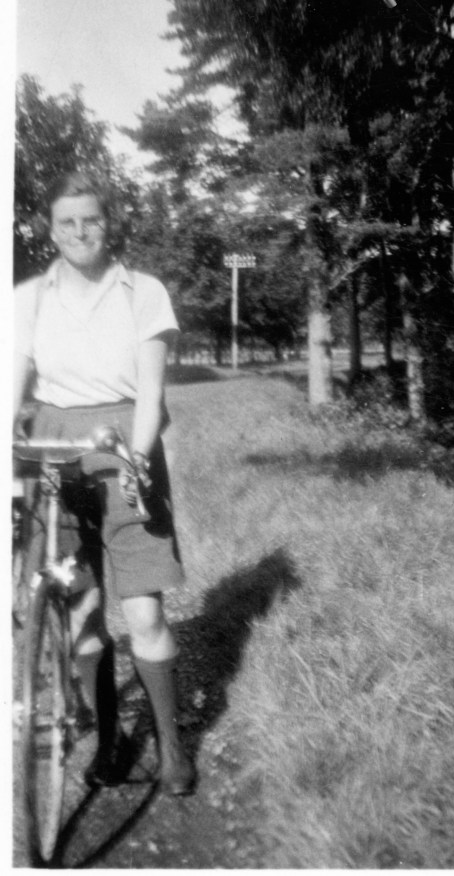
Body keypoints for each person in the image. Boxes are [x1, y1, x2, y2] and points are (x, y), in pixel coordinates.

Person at [13, 170, 195, 796]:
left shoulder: (141, 292)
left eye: (91, 219)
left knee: (143, 608)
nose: (80, 231)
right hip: (54, 443)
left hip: (123, 439)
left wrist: (139, 460)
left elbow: (150, 391)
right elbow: (14, 385)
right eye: (67, 221)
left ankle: (172, 744)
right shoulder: (28, 298)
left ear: (108, 221)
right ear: (51, 228)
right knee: (82, 607)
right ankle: (112, 742)